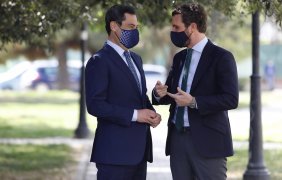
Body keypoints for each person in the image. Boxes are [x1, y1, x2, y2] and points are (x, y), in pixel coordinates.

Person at [152, 3, 239, 180]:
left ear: (192, 27)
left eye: (177, 27)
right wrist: (158, 93)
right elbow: (171, 93)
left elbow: (231, 99)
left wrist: (193, 101)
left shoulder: (221, 57)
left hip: (208, 142)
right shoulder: (179, 58)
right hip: (177, 140)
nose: (173, 31)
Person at [85, 4, 161, 180]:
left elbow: (139, 97)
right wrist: (136, 115)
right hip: (114, 155)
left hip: (140, 154)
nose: (134, 32)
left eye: (136, 27)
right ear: (114, 26)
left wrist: (151, 113)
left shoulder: (136, 59)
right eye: (130, 27)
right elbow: (95, 105)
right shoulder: (99, 61)